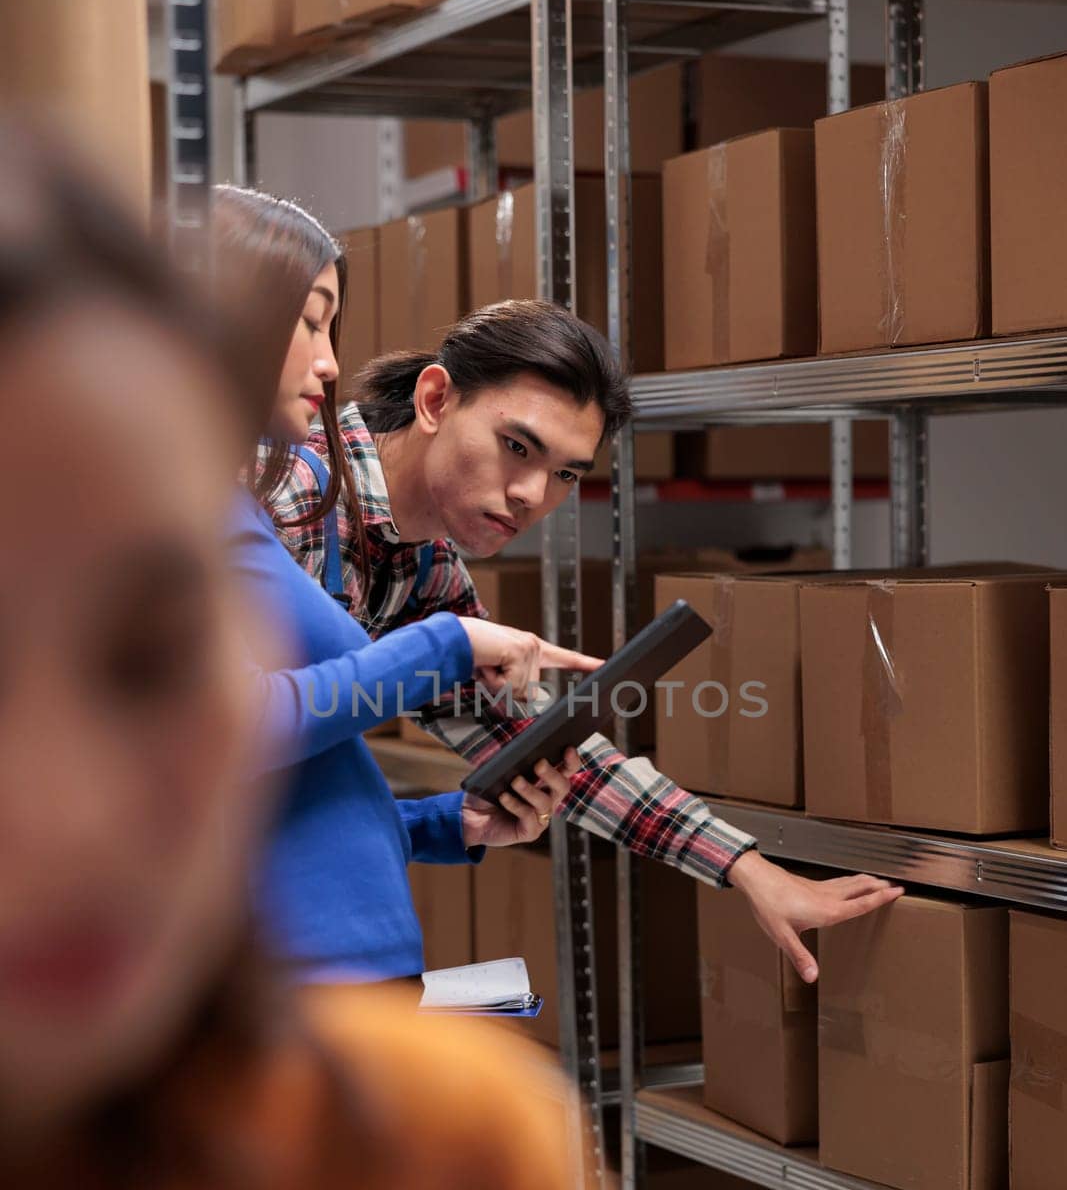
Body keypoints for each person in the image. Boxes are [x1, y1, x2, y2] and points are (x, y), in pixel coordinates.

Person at [0, 124, 660, 1190]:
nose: (68, 813)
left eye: (145, 661)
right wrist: (429, 662)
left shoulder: (460, 1167)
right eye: (304, 324)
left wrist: (442, 826)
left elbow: (282, 768)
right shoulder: (299, 528)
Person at [260, 283, 904, 978]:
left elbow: (541, 745)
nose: (533, 496)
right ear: (435, 400)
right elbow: (204, 737)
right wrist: (444, 648)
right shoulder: (285, 495)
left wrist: (748, 869)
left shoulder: (423, 572)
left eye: (564, 473)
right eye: (516, 447)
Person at [212, 189, 597, 979]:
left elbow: (296, 789)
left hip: (340, 974)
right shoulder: (221, 501)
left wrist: (441, 825)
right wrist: (445, 645)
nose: (328, 360)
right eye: (311, 318)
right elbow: (223, 734)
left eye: (564, 474)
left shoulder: (220, 503)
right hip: (281, 980)